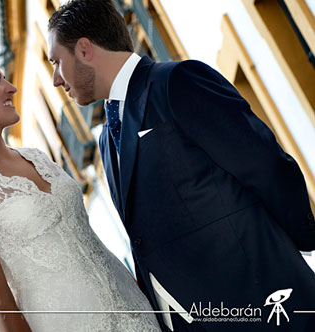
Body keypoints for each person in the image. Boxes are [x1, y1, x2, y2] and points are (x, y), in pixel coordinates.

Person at [46, 1, 315, 331]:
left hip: (264, 301)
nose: (57, 80)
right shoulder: (106, 141)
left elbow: (265, 163)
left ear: (85, 49)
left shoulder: (176, 81)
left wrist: (300, 245)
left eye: (57, 62)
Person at [0, 50, 161, 332]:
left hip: (133, 309)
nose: (11, 87)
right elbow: (1, 308)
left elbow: (89, 240)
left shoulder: (37, 158)